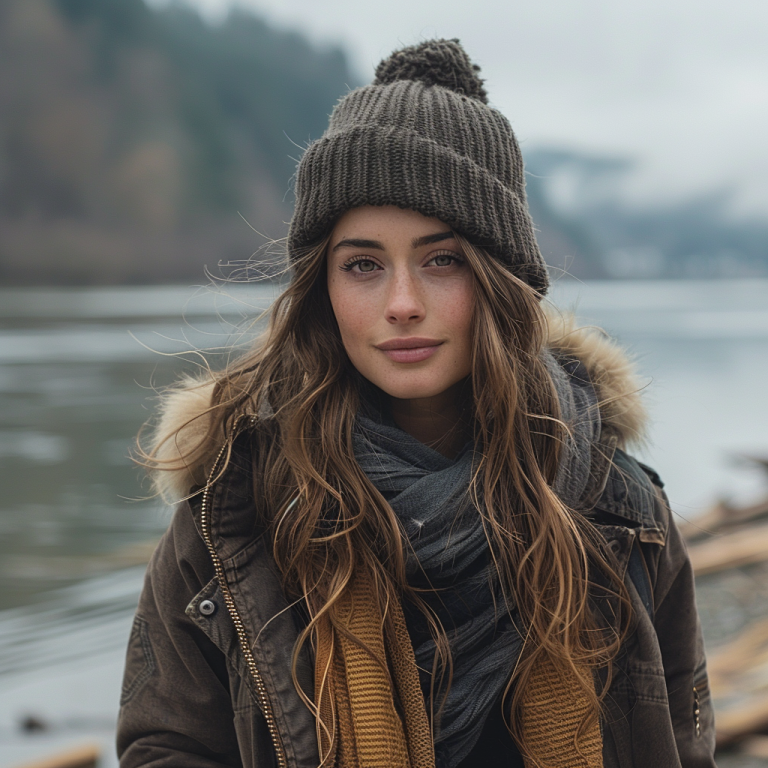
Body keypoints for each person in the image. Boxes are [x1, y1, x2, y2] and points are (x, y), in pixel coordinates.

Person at [117, 39, 716, 768]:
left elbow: (682, 752)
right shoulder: (233, 515)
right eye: (363, 265)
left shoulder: (623, 515)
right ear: (322, 288)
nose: (402, 304)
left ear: (502, 280)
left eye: (442, 260)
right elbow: (167, 748)